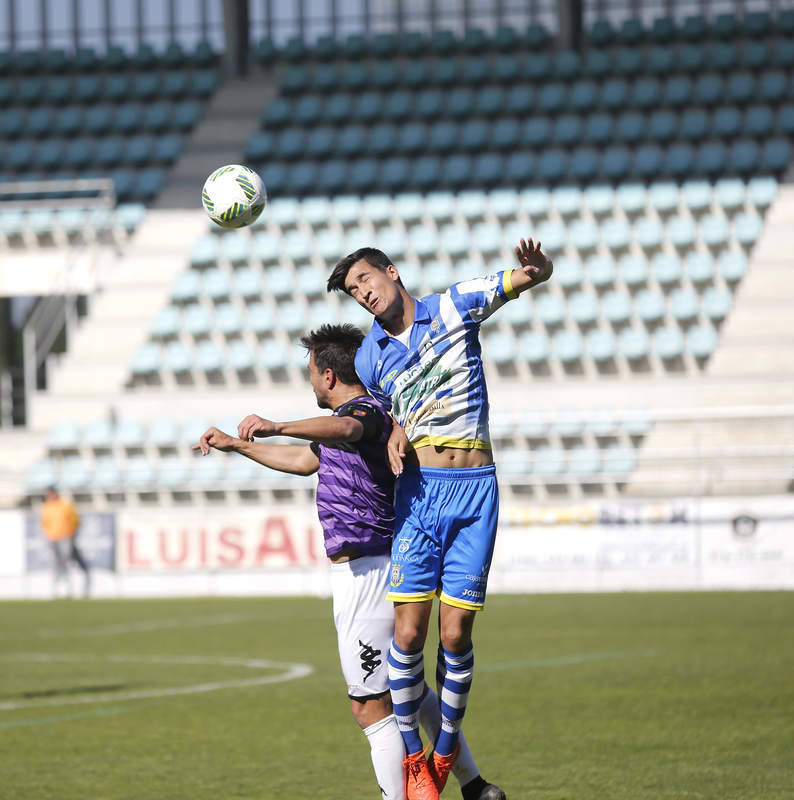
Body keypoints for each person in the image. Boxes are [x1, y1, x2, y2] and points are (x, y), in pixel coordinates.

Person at [194, 324, 505, 800]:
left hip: (368, 570)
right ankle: (475, 785)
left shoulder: (363, 413)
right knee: (411, 693)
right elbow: (306, 461)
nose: (310, 384)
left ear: (329, 374)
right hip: (372, 567)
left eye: (312, 375)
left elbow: (346, 427)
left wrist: (276, 423)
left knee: (371, 706)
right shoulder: (350, 422)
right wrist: (238, 446)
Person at [327, 239, 553, 799]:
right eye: (354, 292)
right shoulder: (368, 357)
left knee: (456, 633)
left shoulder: (454, 306)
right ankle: (412, 759)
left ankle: (445, 745)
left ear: (391, 271)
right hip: (420, 494)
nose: (364, 295)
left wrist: (537, 272)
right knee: (408, 631)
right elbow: (391, 413)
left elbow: (518, 280)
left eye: (365, 281)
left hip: (474, 490)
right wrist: (400, 430)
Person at [40, 486, 90, 598]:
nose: (50, 495)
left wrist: (71, 533)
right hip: (52, 538)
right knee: (55, 564)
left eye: (51, 493)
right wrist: (48, 534)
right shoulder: (46, 506)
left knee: (67, 561)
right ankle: (56, 589)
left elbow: (75, 520)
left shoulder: (65, 504)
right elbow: (44, 523)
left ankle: (69, 588)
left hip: (65, 538)